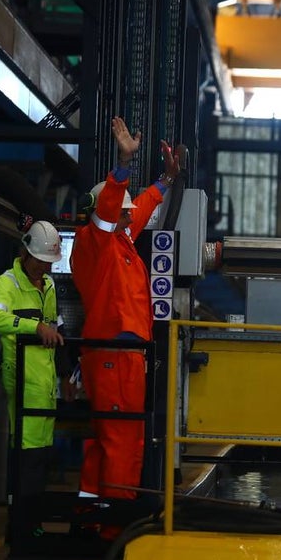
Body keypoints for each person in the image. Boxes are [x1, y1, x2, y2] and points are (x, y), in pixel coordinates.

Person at [71, 117, 179, 518]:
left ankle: (93, 511)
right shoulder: (94, 243)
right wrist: (123, 164)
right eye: (124, 212)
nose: (133, 218)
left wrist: (165, 181)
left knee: (108, 437)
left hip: (119, 354)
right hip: (116, 354)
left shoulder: (120, 242)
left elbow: (143, 205)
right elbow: (112, 208)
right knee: (123, 439)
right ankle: (116, 521)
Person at [0, 217, 66, 519]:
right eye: (43, 261)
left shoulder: (48, 285)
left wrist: (66, 375)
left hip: (46, 387)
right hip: (23, 383)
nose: (47, 267)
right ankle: (20, 531)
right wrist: (34, 327)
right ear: (28, 253)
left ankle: (31, 527)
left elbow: (55, 329)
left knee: (41, 460)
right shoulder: (6, 283)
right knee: (26, 461)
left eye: (50, 262)